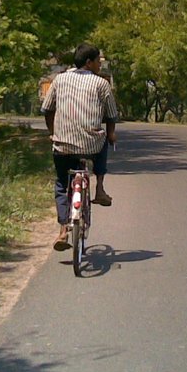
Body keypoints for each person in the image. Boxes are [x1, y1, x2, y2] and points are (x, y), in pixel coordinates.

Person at [41, 43, 117, 251]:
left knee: (60, 183)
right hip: (91, 145)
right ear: (89, 62)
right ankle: (99, 188)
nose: (100, 65)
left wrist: (52, 133)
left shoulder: (60, 79)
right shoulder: (101, 84)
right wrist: (110, 134)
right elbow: (111, 115)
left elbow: (47, 109)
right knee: (102, 141)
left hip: (62, 144)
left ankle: (63, 230)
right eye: (98, 61)